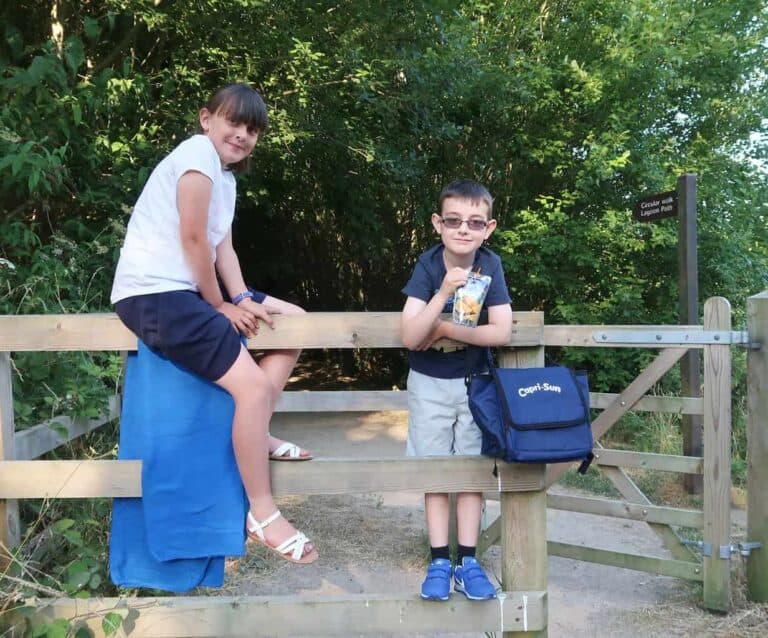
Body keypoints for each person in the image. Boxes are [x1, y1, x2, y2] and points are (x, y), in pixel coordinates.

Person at [110, 82, 317, 564]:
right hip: (155, 293)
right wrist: (221, 307)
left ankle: (256, 429)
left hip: (187, 289)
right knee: (252, 388)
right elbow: (191, 241)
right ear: (207, 119)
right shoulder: (196, 157)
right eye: (234, 122)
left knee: (296, 322)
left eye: (253, 129)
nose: (243, 135)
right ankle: (262, 514)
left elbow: (222, 246)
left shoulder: (224, 177)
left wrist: (242, 296)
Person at [400, 180, 512, 600]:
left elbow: (500, 331)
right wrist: (445, 291)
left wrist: (446, 328)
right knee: (433, 471)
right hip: (428, 383)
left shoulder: (491, 265)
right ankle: (438, 561)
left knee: (470, 473)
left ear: (489, 227)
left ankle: (468, 560)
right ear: (438, 223)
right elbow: (411, 336)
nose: (464, 229)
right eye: (454, 221)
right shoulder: (428, 265)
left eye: (475, 222)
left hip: (475, 385)